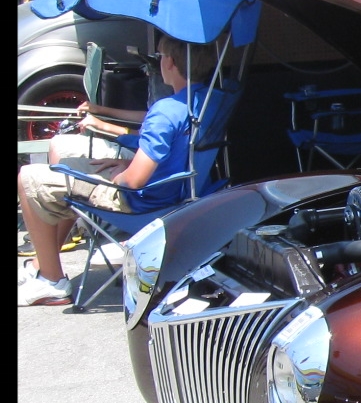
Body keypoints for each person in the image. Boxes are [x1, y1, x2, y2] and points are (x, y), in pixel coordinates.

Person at [18, 35, 215, 306]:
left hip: (141, 201)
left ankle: (52, 281)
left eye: (158, 58)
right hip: (173, 191)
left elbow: (134, 181)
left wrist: (109, 176)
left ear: (169, 62)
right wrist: (125, 159)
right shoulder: (206, 99)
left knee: (28, 177)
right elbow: (167, 145)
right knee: (65, 168)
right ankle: (44, 260)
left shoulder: (166, 110)